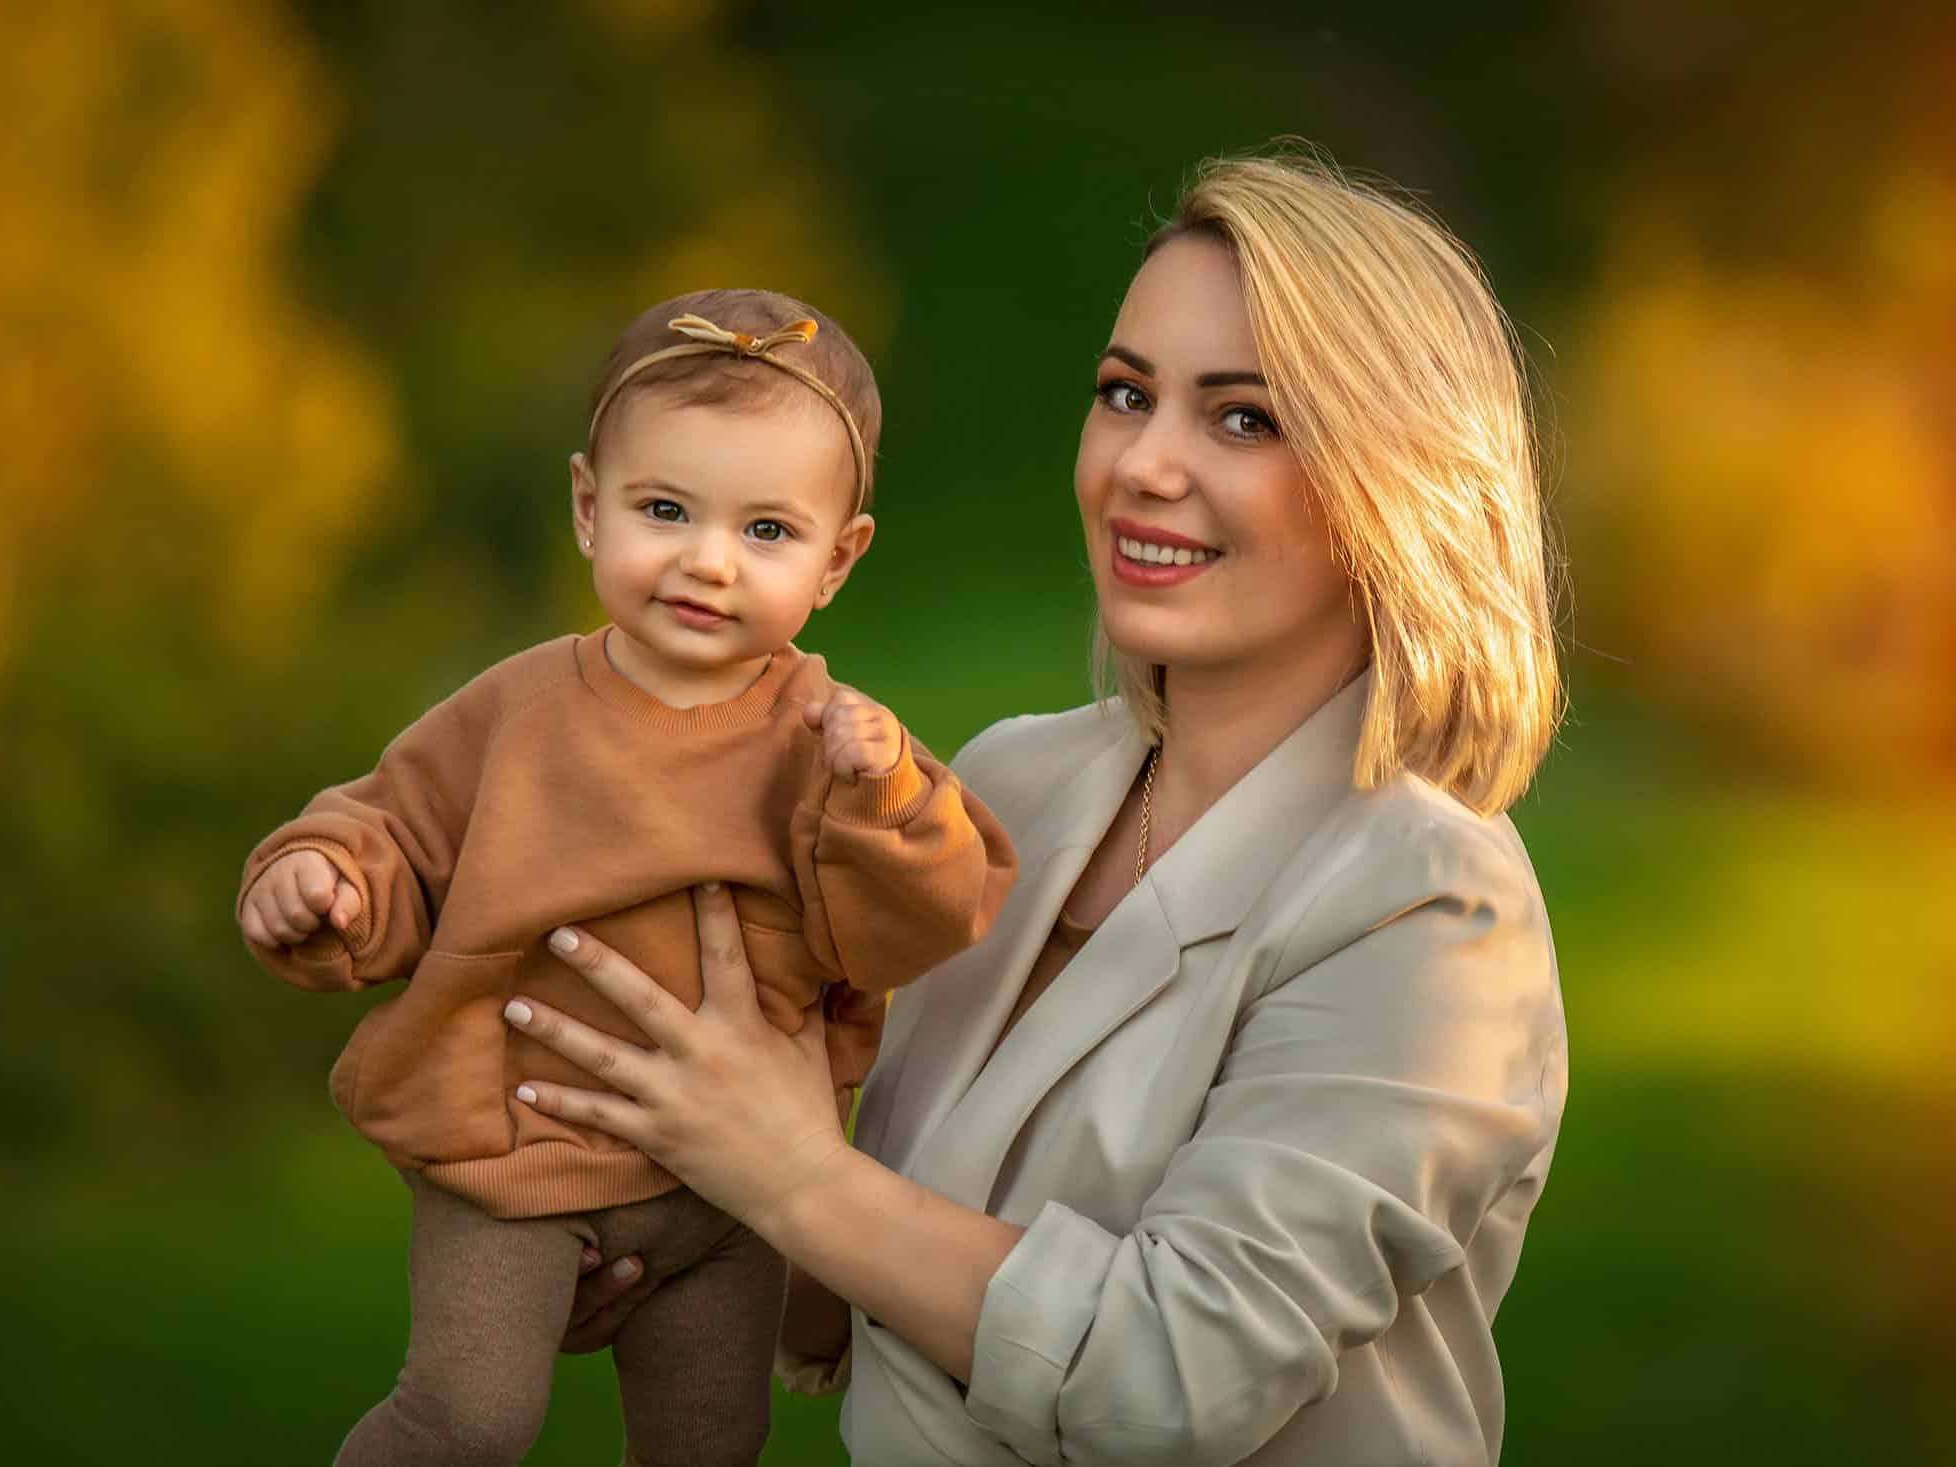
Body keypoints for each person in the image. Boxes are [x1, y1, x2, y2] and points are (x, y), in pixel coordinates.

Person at [508, 151, 1568, 1466]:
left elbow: (1167, 1378)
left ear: (1390, 479)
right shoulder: (1007, 784)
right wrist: (668, 1226)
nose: (1144, 465)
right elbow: (879, 1260)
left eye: (1242, 417)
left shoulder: (1427, 901)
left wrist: (785, 1170)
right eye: (1128, 395)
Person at [235, 286, 1017, 1467]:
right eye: (665, 509)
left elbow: (915, 924)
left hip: (730, 1191)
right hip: (510, 1155)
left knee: (708, 1441)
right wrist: (320, 878)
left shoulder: (834, 741)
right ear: (588, 509)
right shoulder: (517, 712)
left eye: (766, 532)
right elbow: (391, 831)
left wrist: (882, 800)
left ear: (837, 562)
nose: (706, 562)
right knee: (470, 1422)